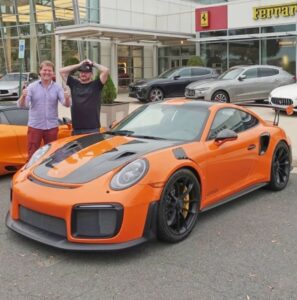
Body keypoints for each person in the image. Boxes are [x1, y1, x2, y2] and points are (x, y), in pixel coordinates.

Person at [18, 60, 71, 159]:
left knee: (51, 154)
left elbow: (66, 104)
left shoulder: (57, 87)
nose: (47, 72)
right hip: (35, 126)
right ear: (40, 71)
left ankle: (47, 173)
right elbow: (22, 105)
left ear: (53, 73)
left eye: (49, 70)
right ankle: (30, 172)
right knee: (32, 153)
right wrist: (23, 96)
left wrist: (67, 97)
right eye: (44, 70)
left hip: (51, 127)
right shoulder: (32, 87)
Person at [59, 59, 109, 135]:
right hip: (77, 129)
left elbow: (106, 70)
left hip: (93, 129)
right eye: (82, 72)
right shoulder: (74, 84)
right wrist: (79, 64)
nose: (83, 74)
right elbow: (62, 71)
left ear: (91, 74)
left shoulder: (96, 85)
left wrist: (93, 64)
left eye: (86, 72)